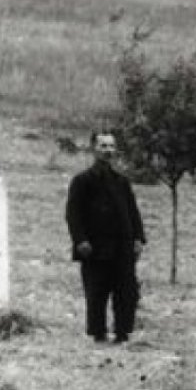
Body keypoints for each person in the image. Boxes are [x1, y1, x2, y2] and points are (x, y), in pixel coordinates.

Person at [65, 131, 146, 344]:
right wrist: (80, 240)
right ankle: (98, 333)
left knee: (126, 292)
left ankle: (122, 332)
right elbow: (73, 214)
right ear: (94, 149)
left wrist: (138, 238)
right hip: (94, 247)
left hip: (122, 247)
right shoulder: (82, 181)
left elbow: (133, 211)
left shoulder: (122, 182)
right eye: (103, 146)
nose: (108, 151)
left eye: (111, 146)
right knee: (96, 292)